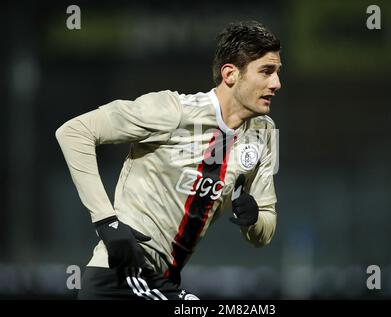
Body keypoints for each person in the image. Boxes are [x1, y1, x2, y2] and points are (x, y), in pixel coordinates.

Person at [56, 20, 282, 300]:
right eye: (266, 72)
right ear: (230, 74)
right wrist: (106, 222)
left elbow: (265, 230)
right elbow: (74, 132)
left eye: (277, 72)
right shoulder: (172, 111)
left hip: (161, 282)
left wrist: (253, 218)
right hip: (121, 278)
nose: (276, 83)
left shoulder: (264, 133)